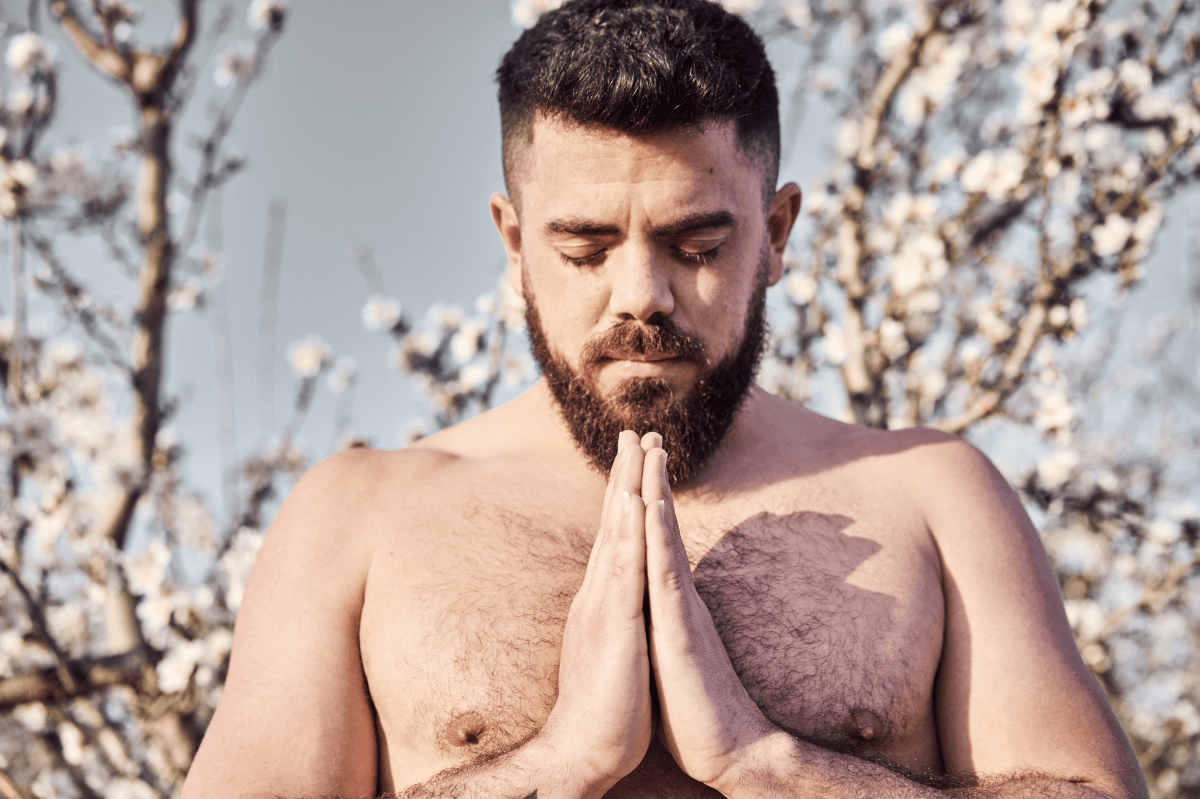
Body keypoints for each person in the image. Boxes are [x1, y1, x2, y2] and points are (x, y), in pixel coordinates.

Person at [181, 1, 1149, 797]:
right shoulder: (360, 514)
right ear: (515, 245)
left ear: (775, 233)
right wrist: (557, 764)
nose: (640, 294)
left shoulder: (930, 494)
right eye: (585, 249)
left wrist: (769, 766)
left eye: (696, 246)